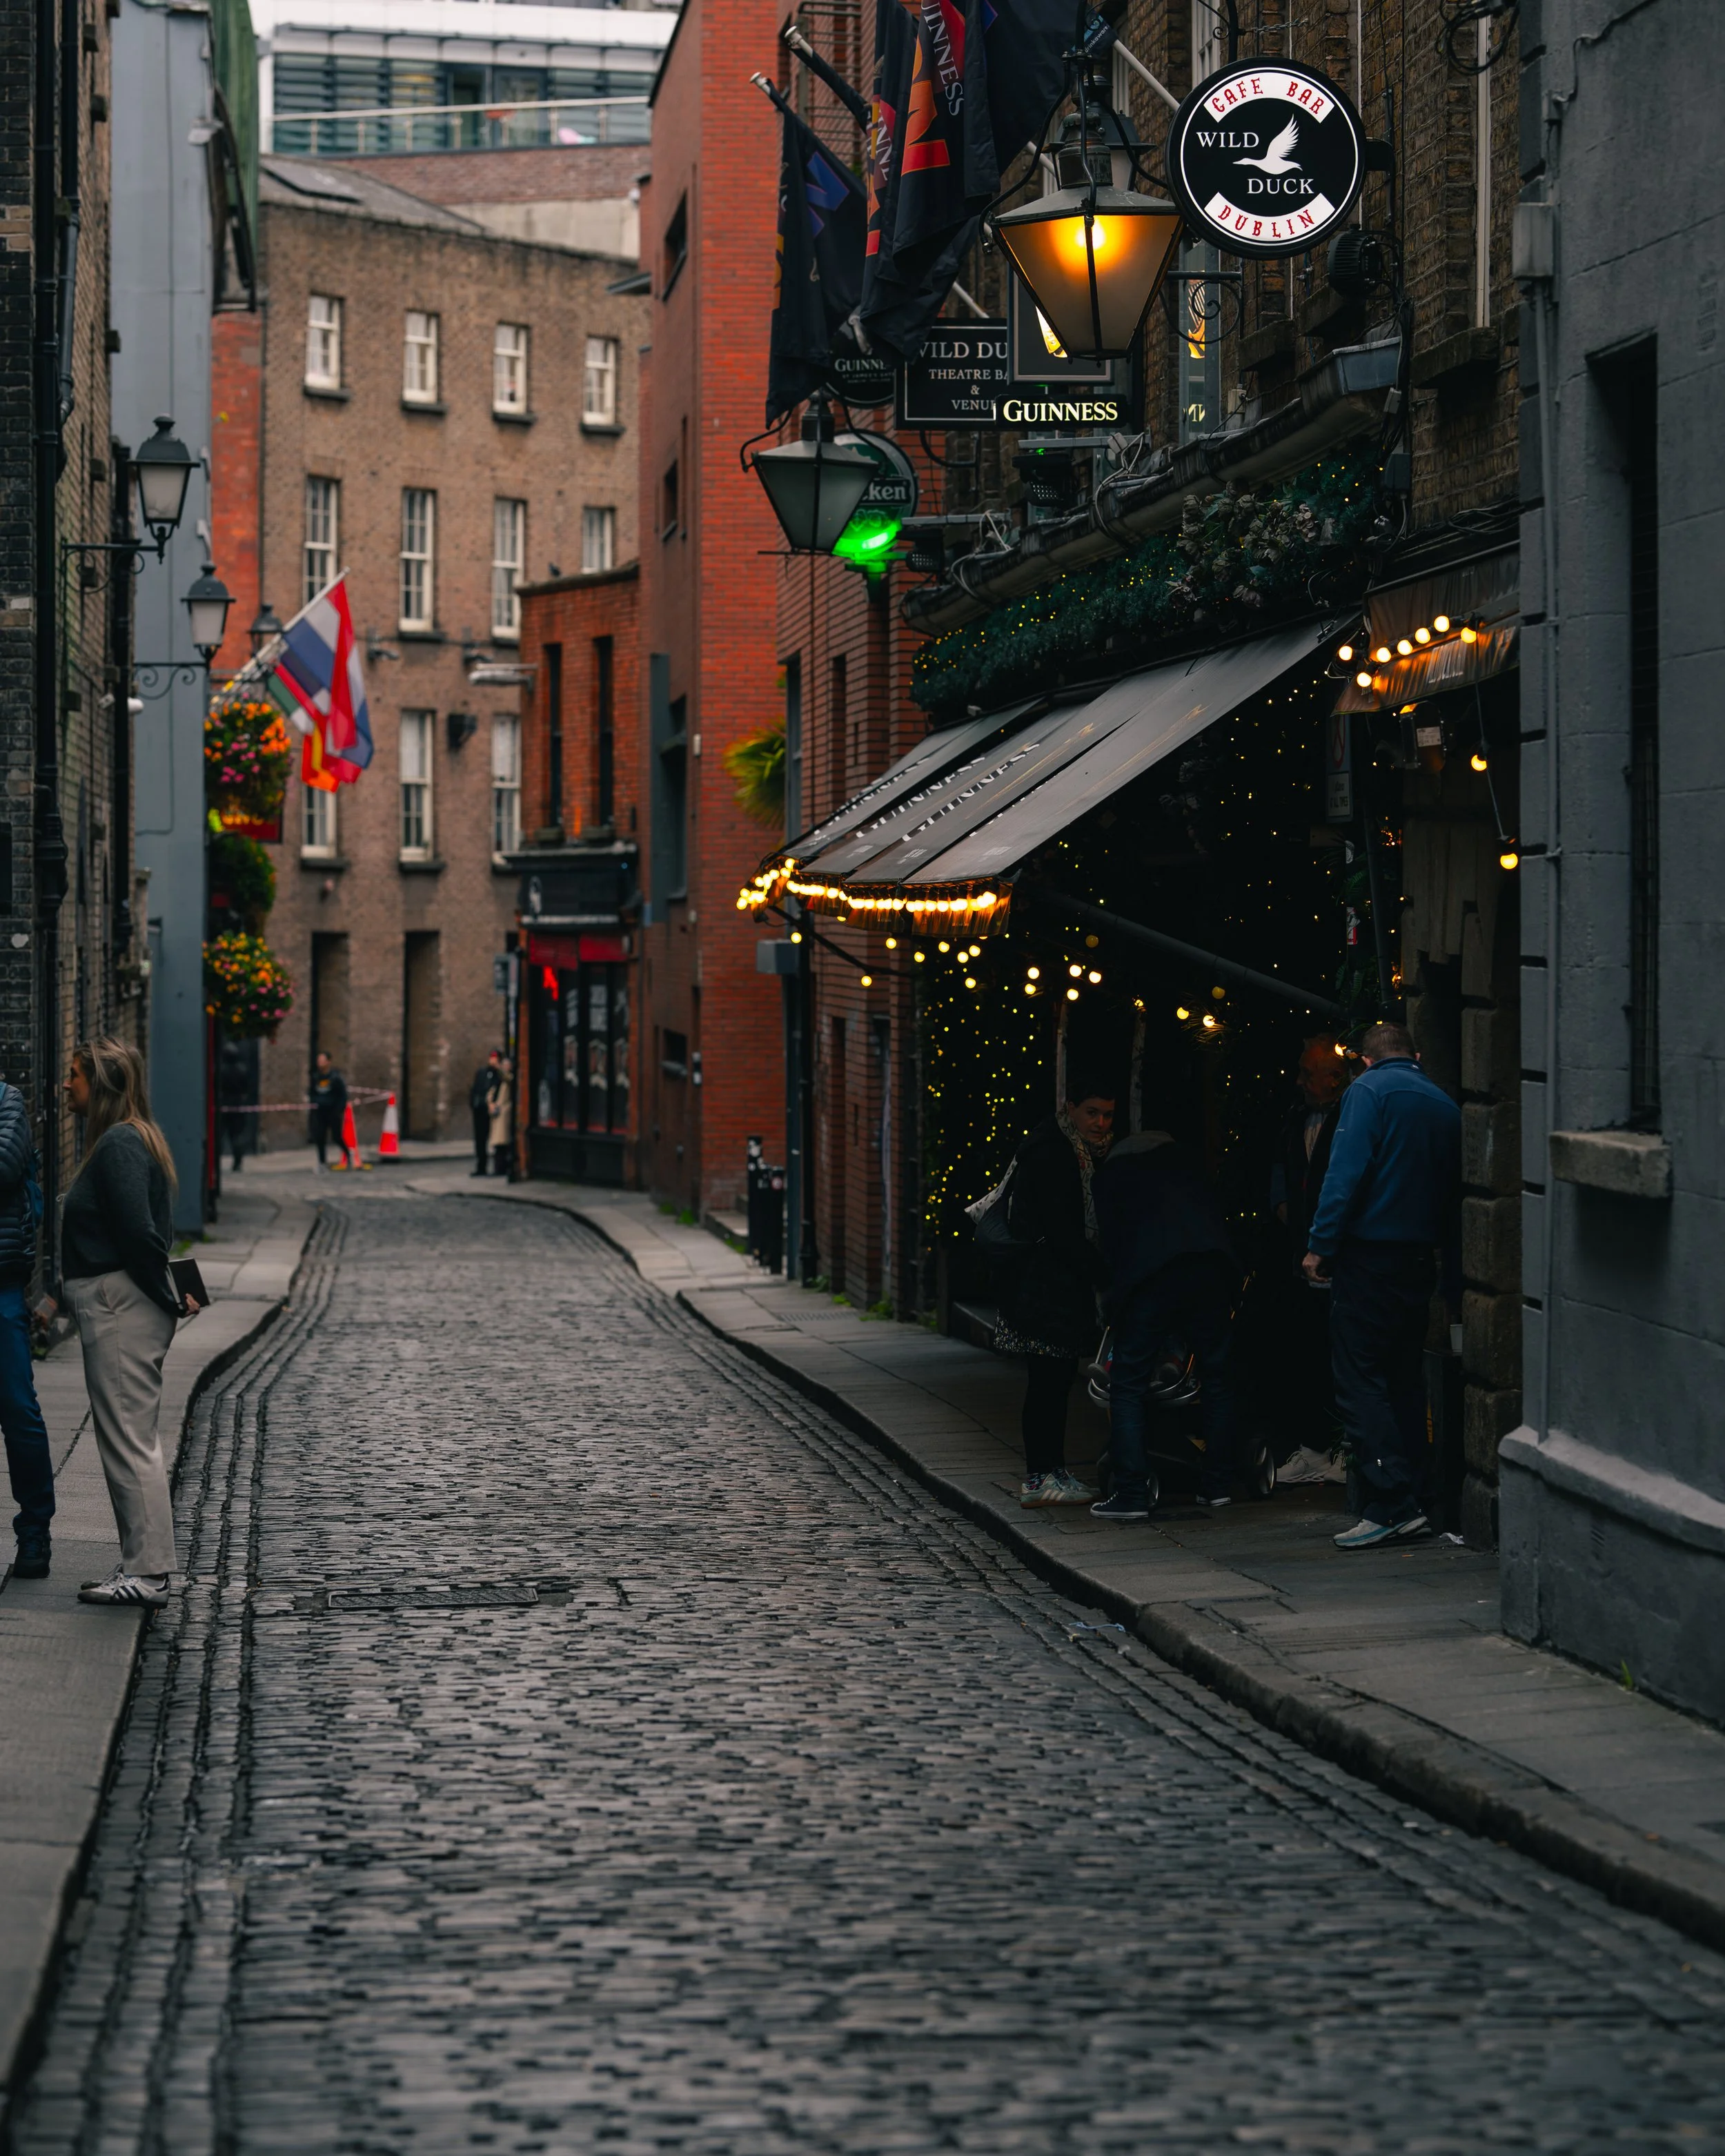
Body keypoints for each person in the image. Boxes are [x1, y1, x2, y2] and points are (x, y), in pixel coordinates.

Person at [1304, 1020, 1461, 1549]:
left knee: (1359, 1379)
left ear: (1364, 1060)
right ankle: (1412, 1498)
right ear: (1414, 1054)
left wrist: (1321, 1245)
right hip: (1419, 1260)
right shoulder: (1443, 1104)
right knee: (1403, 1381)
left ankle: (1391, 1501)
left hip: (1369, 1257)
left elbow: (1344, 1174)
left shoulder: (1367, 1091)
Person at [54, 1039, 199, 1608]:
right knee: (129, 1438)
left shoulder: (118, 1143)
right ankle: (142, 1561)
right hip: (122, 1304)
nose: (67, 1086)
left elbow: (140, 1235)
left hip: (121, 1307)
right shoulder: (134, 1139)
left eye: (75, 1076)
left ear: (103, 1085)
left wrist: (165, 1296)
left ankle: (149, 1572)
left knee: (130, 1442)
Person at [1090, 1128, 1241, 1519]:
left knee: (1127, 1384)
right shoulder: (1187, 1165)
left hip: (1151, 1274)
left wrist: (1112, 1305)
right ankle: (1217, 1485)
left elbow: (1111, 1245)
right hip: (1208, 1266)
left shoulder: (1113, 1174)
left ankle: (1132, 1492)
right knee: (1219, 1379)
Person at [992, 1078, 1114, 1507]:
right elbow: (1064, 1233)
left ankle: (1051, 1471)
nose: (1100, 1124)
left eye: (1107, 1115)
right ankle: (1040, 1476)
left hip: (1049, 1285)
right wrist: (1103, 1273)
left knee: (1054, 1382)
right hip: (1045, 1288)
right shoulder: (1055, 1152)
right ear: (1072, 1108)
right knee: (1047, 1383)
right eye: (1092, 1113)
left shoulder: (1070, 1149)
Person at [1269, 1035, 1348, 1485]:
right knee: (1306, 1350)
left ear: (1332, 1078)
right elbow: (1282, 1165)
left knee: (1338, 1351)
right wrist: (1281, 1203)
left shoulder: (1347, 1118)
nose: (1299, 1081)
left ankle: (1337, 1450)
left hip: (1336, 1255)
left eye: (1307, 1073)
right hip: (1303, 1252)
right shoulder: (1297, 1117)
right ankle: (1317, 1448)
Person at [0, 1077, 54, 1579]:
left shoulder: (7, 1100)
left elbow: (5, 1165)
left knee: (18, 1407)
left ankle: (35, 1530)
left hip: (1, 1284)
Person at [309, 1050, 350, 1170]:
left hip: (333, 1112)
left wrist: (339, 1109)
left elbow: (343, 1095)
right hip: (320, 1112)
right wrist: (314, 1102)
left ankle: (348, 1154)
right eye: (319, 1061)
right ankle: (322, 1163)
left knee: (337, 1137)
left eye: (322, 1060)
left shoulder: (335, 1078)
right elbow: (312, 1092)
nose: (320, 1063)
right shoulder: (316, 1077)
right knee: (320, 1137)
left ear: (328, 1062)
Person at [218, 1039, 253, 1173]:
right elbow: (247, 1090)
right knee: (237, 1136)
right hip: (238, 1107)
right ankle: (238, 1163)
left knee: (221, 1135)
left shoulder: (222, 1071)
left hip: (224, 1107)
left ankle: (219, 1161)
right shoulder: (242, 1070)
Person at [470, 1051, 500, 1176]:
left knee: (495, 1140)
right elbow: (475, 1089)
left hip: (493, 1112)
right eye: (491, 1058)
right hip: (480, 1110)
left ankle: (498, 1167)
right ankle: (481, 1167)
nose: (492, 1061)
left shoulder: (499, 1075)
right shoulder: (482, 1073)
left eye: (495, 1058)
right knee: (480, 1140)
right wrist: (473, 1104)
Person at [488, 1055, 513, 1180]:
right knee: (497, 1144)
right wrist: (491, 1104)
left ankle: (502, 1168)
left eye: (506, 1065)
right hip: (497, 1113)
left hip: (504, 1113)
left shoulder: (508, 1078)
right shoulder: (498, 1080)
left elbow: (507, 1077)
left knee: (503, 1142)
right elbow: (491, 1092)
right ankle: (498, 1168)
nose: (504, 1067)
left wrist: (499, 1068)